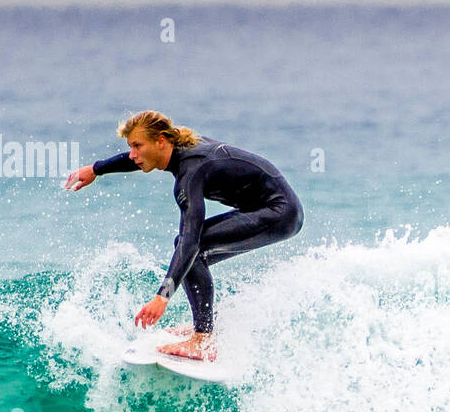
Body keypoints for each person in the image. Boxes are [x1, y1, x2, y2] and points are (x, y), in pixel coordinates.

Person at [64, 110, 303, 360]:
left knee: (190, 249)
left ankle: (203, 338)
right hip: (269, 208)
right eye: (130, 146)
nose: (133, 154)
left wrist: (162, 296)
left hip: (280, 213)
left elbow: (191, 240)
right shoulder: (178, 147)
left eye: (137, 145)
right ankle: (205, 327)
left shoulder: (191, 173)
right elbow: (136, 159)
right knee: (190, 254)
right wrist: (96, 169)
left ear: (161, 141)